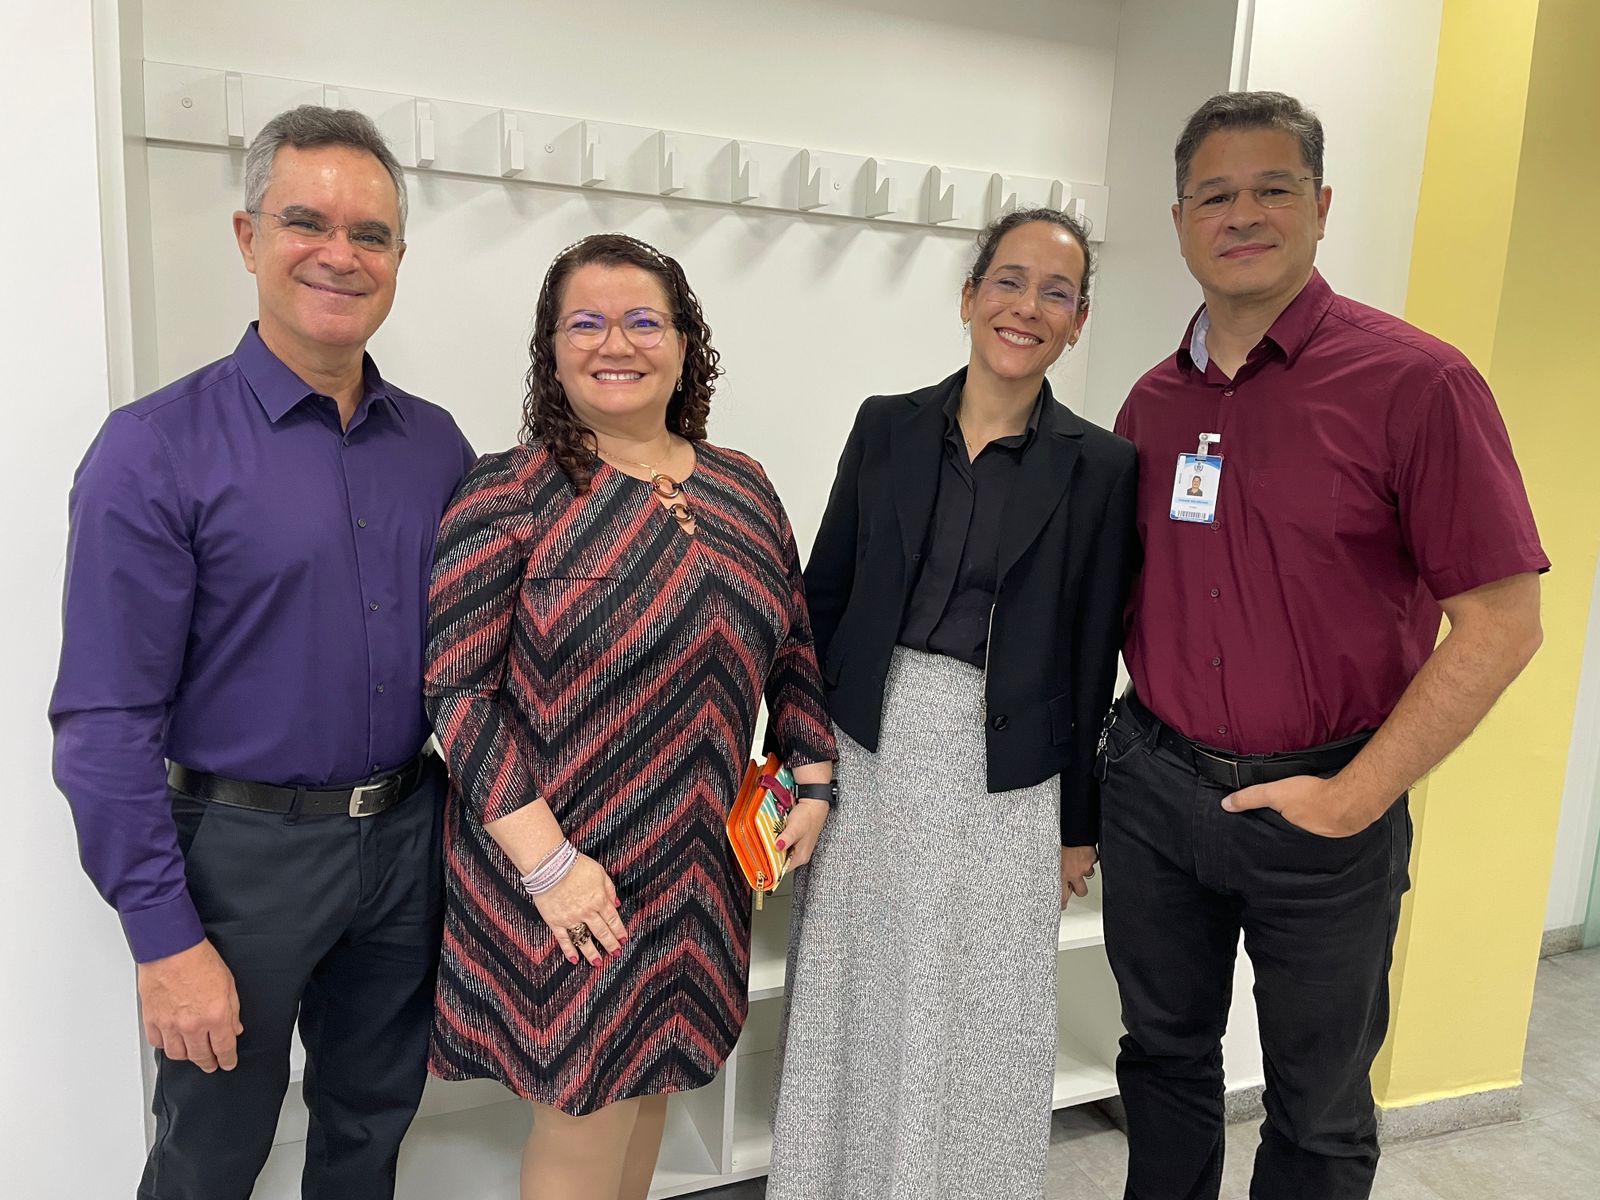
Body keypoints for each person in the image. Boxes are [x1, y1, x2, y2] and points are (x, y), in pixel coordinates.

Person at [1104, 91, 1547, 1200]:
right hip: (1155, 792)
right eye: (1215, 195)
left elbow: (1503, 622)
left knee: (1319, 1110)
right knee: (1161, 1065)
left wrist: (1354, 797)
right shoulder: (1152, 404)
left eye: (1273, 189)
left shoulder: (1416, 384)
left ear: (1321, 205)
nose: (1242, 215)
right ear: (1179, 220)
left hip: (1326, 810)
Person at [49, 105, 475, 1199]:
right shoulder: (153, 451)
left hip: (407, 838)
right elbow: (103, 723)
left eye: (370, 234)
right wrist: (164, 941)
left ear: (398, 258)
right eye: (305, 222)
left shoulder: (437, 448)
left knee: (370, 1133)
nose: (340, 253)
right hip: (238, 862)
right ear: (248, 238)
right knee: (211, 1154)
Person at [423, 232, 837, 1200]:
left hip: (697, 870)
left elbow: (792, 644)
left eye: (644, 320)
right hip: (570, 877)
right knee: (583, 1115)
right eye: (587, 323)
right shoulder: (509, 491)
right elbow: (457, 697)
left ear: (685, 345)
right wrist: (551, 869)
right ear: (552, 350)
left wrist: (812, 775)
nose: (616, 342)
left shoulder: (743, 485)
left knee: (654, 1084)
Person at [768, 208, 1139, 1200]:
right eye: (1008, 281)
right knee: (855, 996)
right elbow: (821, 600)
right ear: (969, 296)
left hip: (1008, 777)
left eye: (1056, 293)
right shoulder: (885, 425)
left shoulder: (1103, 468)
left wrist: (1078, 827)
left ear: (1078, 322)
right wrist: (794, 760)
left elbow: (1093, 654)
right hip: (868, 750)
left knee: (981, 1014)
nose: (1027, 307)